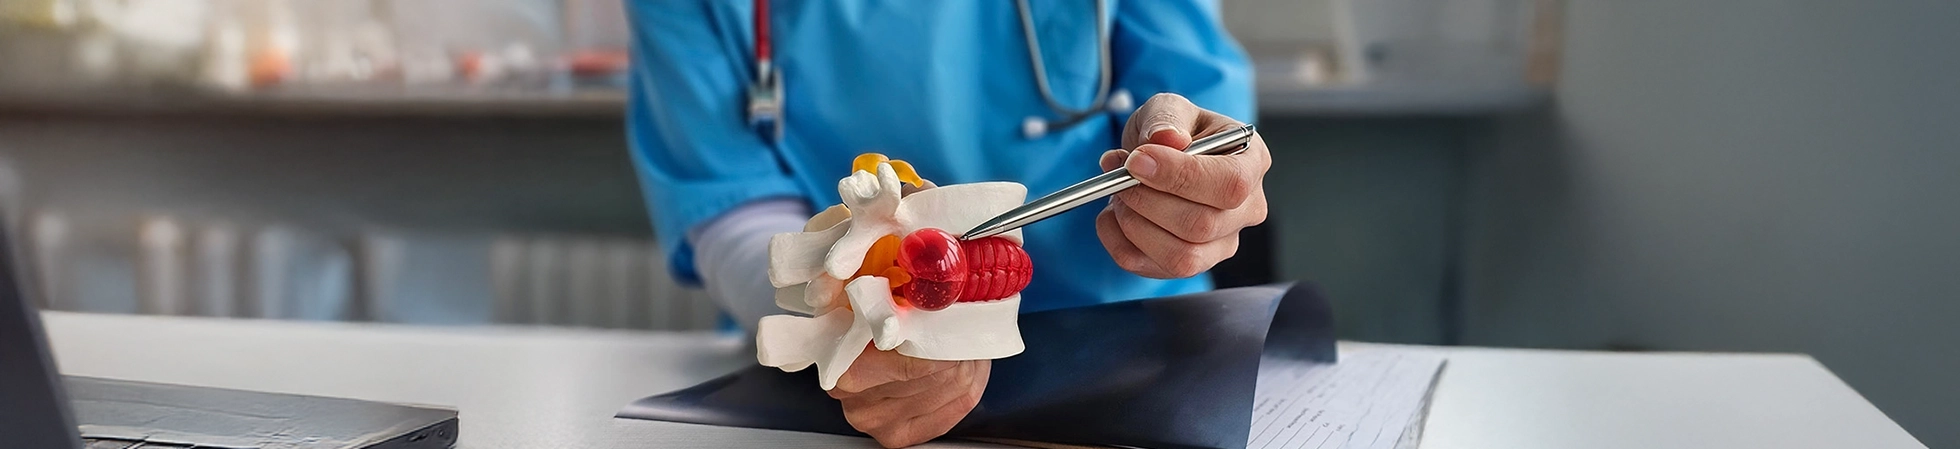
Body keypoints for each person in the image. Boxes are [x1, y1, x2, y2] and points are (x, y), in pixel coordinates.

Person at [624, 1, 1270, 447]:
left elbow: (1194, 114)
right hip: (856, 379)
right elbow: (731, 196)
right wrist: (844, 316)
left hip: (1135, 350)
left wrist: (1197, 186)